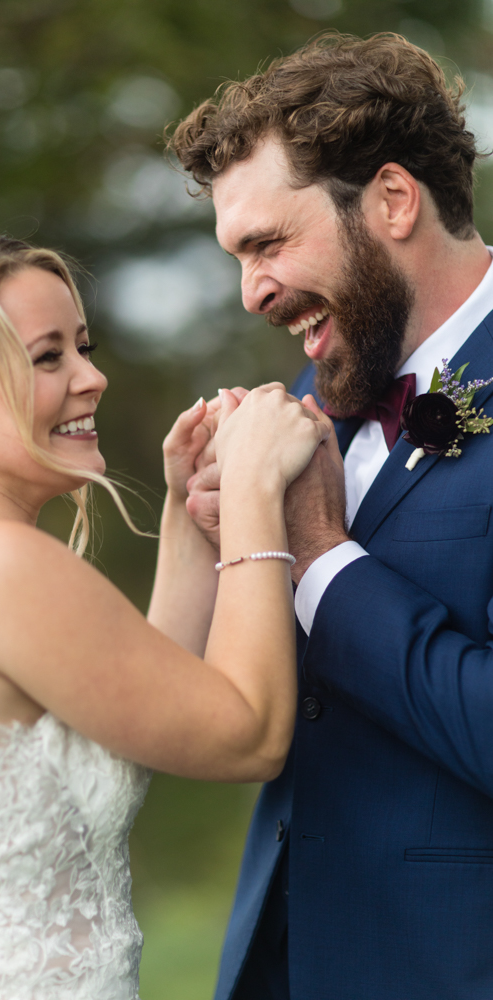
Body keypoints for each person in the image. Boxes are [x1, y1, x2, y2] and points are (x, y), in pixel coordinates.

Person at [0, 232, 329, 1000]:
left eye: (83, 348)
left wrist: (187, 517)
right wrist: (258, 494)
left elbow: (148, 707)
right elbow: (248, 734)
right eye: (48, 356)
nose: (93, 378)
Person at [169, 30, 493, 1000]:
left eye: (268, 243)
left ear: (393, 201)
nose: (251, 291)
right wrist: (218, 538)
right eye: (237, 255)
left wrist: (319, 557)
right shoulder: (311, 406)